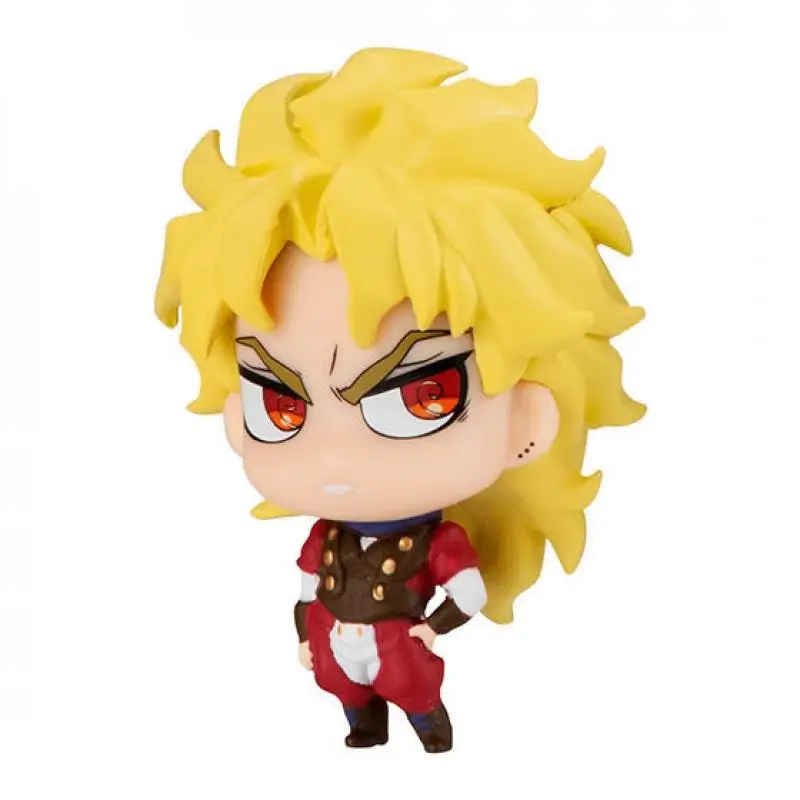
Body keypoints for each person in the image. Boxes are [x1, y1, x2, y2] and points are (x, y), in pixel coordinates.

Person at [155, 47, 644, 752]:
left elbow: (464, 592)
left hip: (402, 652)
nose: (334, 454)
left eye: (420, 396)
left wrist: (433, 629)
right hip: (339, 648)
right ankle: (363, 726)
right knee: (349, 693)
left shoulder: (438, 544)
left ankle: (427, 729)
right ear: (238, 414)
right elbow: (305, 589)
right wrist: (307, 634)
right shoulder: (326, 539)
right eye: (280, 405)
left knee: (414, 691)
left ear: (527, 420)